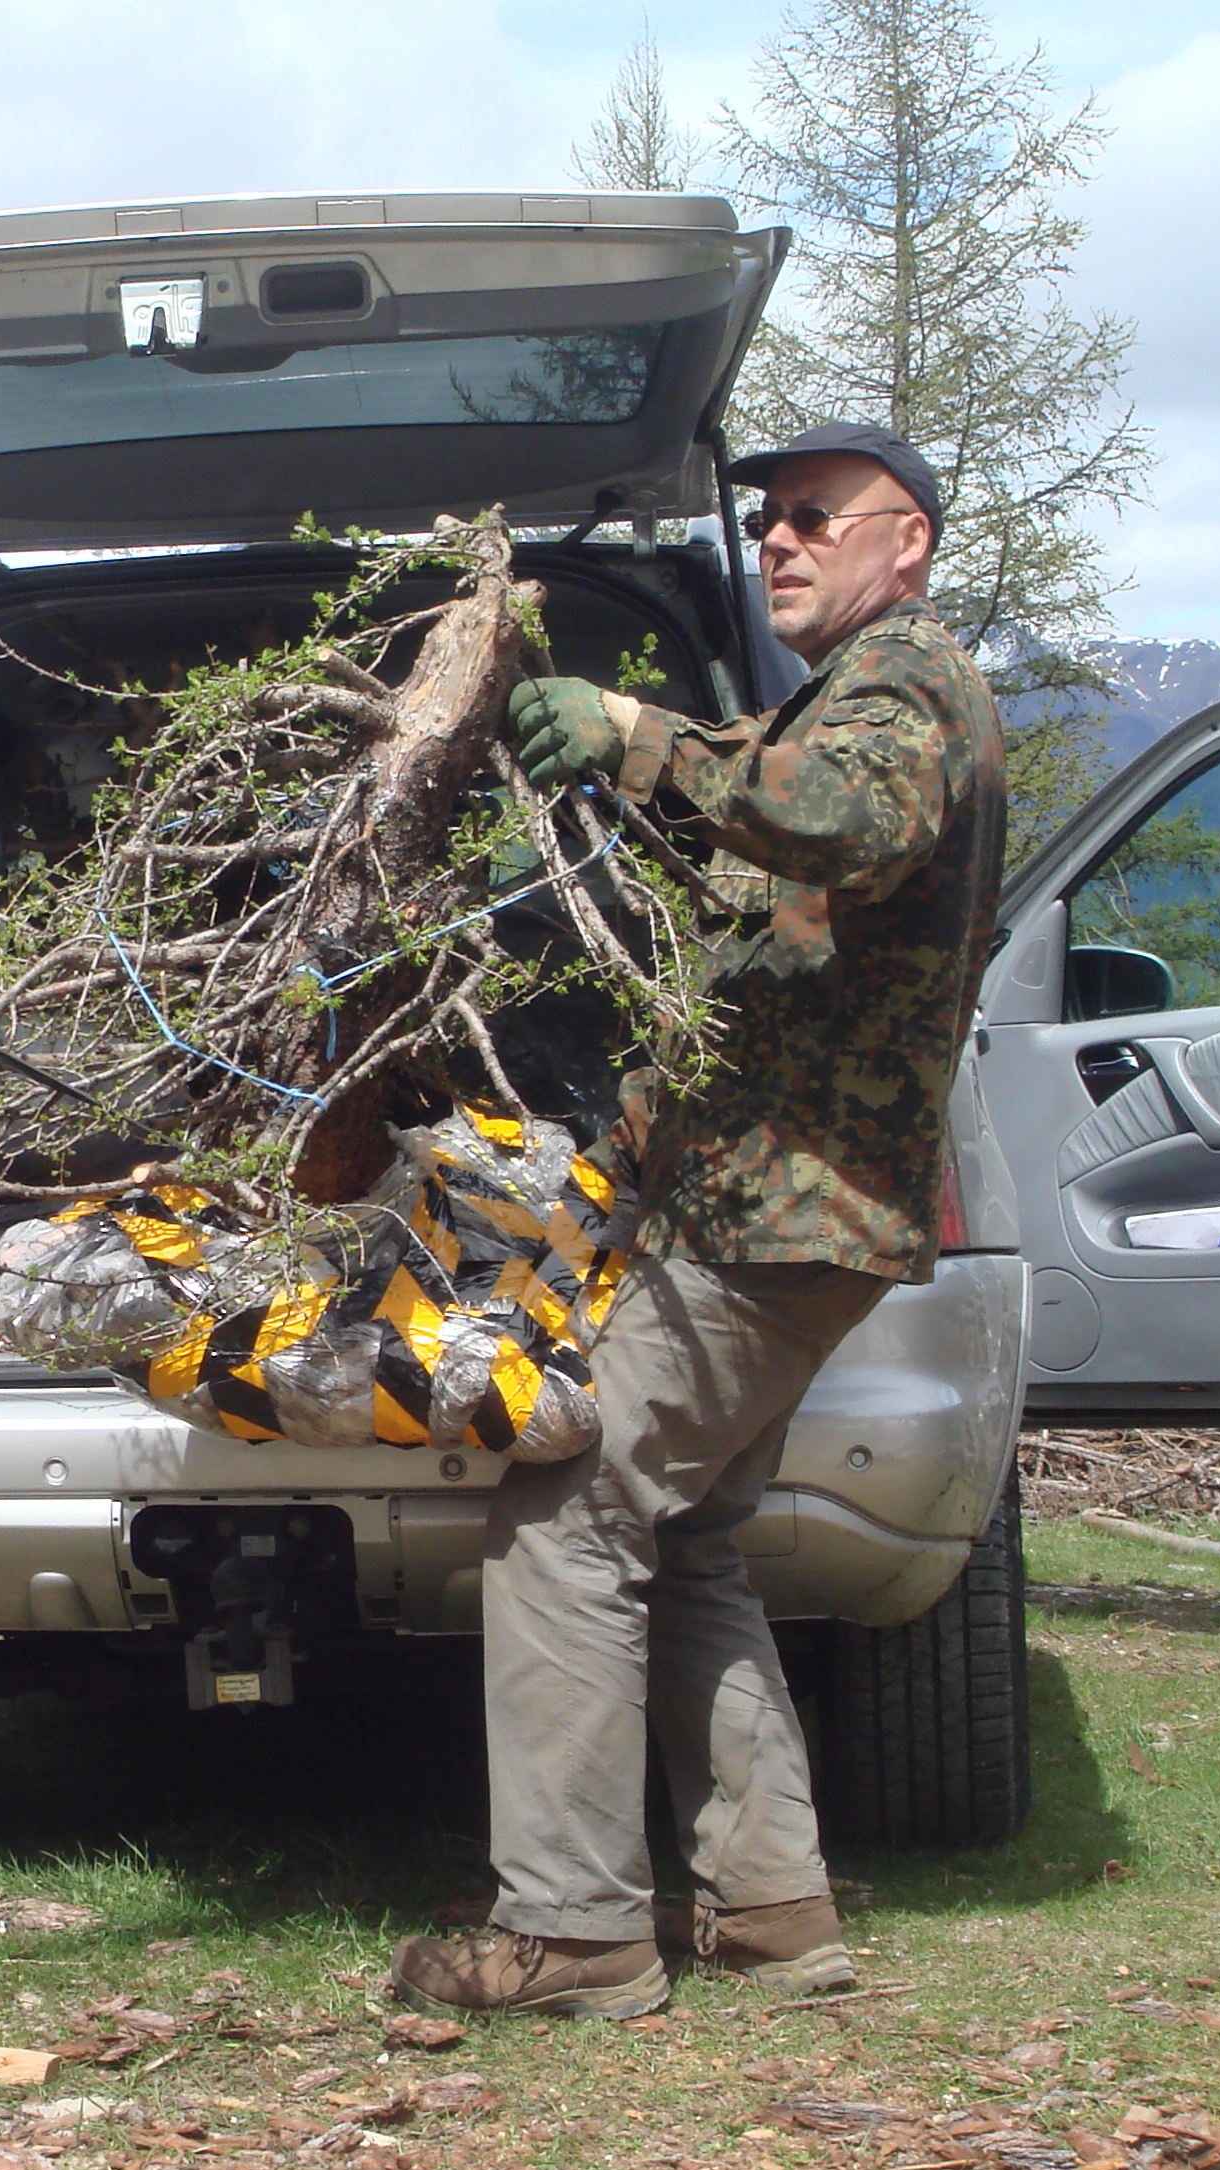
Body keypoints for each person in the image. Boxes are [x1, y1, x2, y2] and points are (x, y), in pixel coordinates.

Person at [391, 421, 1006, 2020]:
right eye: (772, 522)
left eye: (817, 518)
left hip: (780, 1206)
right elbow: (766, 841)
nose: (782, 542)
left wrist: (636, 728)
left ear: (909, 539)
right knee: (691, 1540)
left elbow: (846, 818)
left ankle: (579, 1934)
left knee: (567, 1510)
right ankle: (770, 1909)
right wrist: (610, 769)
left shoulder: (908, 683)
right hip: (772, 1207)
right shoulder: (835, 698)